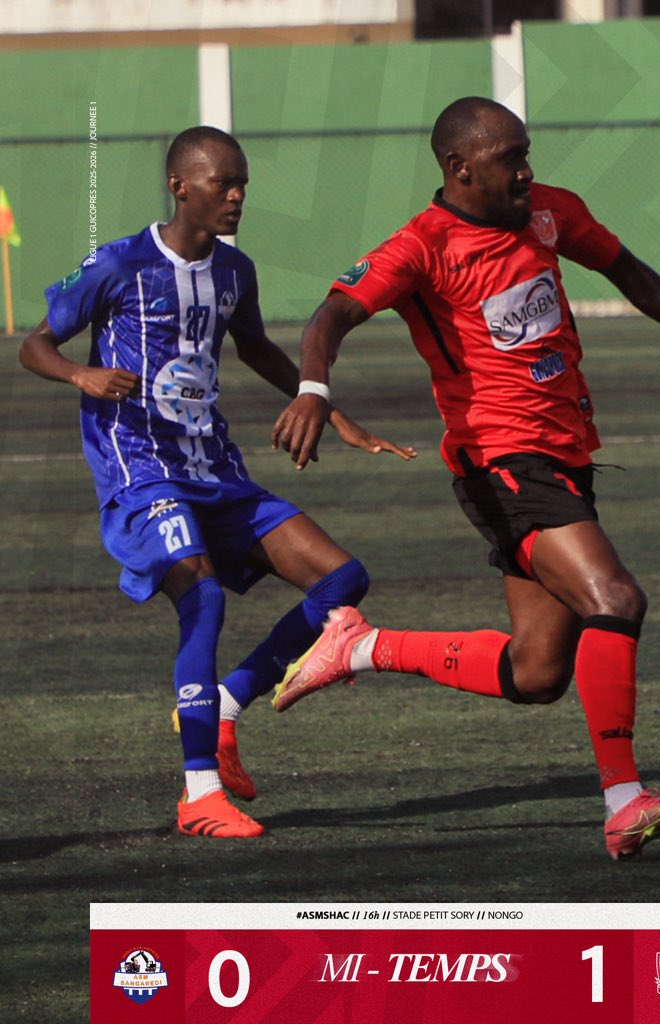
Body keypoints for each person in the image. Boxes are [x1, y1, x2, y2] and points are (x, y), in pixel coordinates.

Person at [269, 96, 660, 861]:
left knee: (536, 673)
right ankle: (623, 801)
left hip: (563, 455)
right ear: (460, 168)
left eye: (526, 154)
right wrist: (312, 389)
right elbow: (330, 317)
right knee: (614, 597)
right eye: (509, 159)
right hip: (500, 463)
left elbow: (625, 268)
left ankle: (363, 647)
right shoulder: (421, 247)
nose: (526, 171)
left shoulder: (549, 212)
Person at [19, 126, 415, 839]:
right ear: (179, 187)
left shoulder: (235, 270)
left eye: (242, 185)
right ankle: (199, 793)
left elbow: (255, 346)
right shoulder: (117, 263)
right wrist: (81, 374)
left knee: (341, 579)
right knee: (200, 594)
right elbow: (34, 344)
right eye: (221, 184)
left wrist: (329, 409)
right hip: (140, 469)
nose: (236, 197)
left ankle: (226, 705)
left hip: (214, 467)